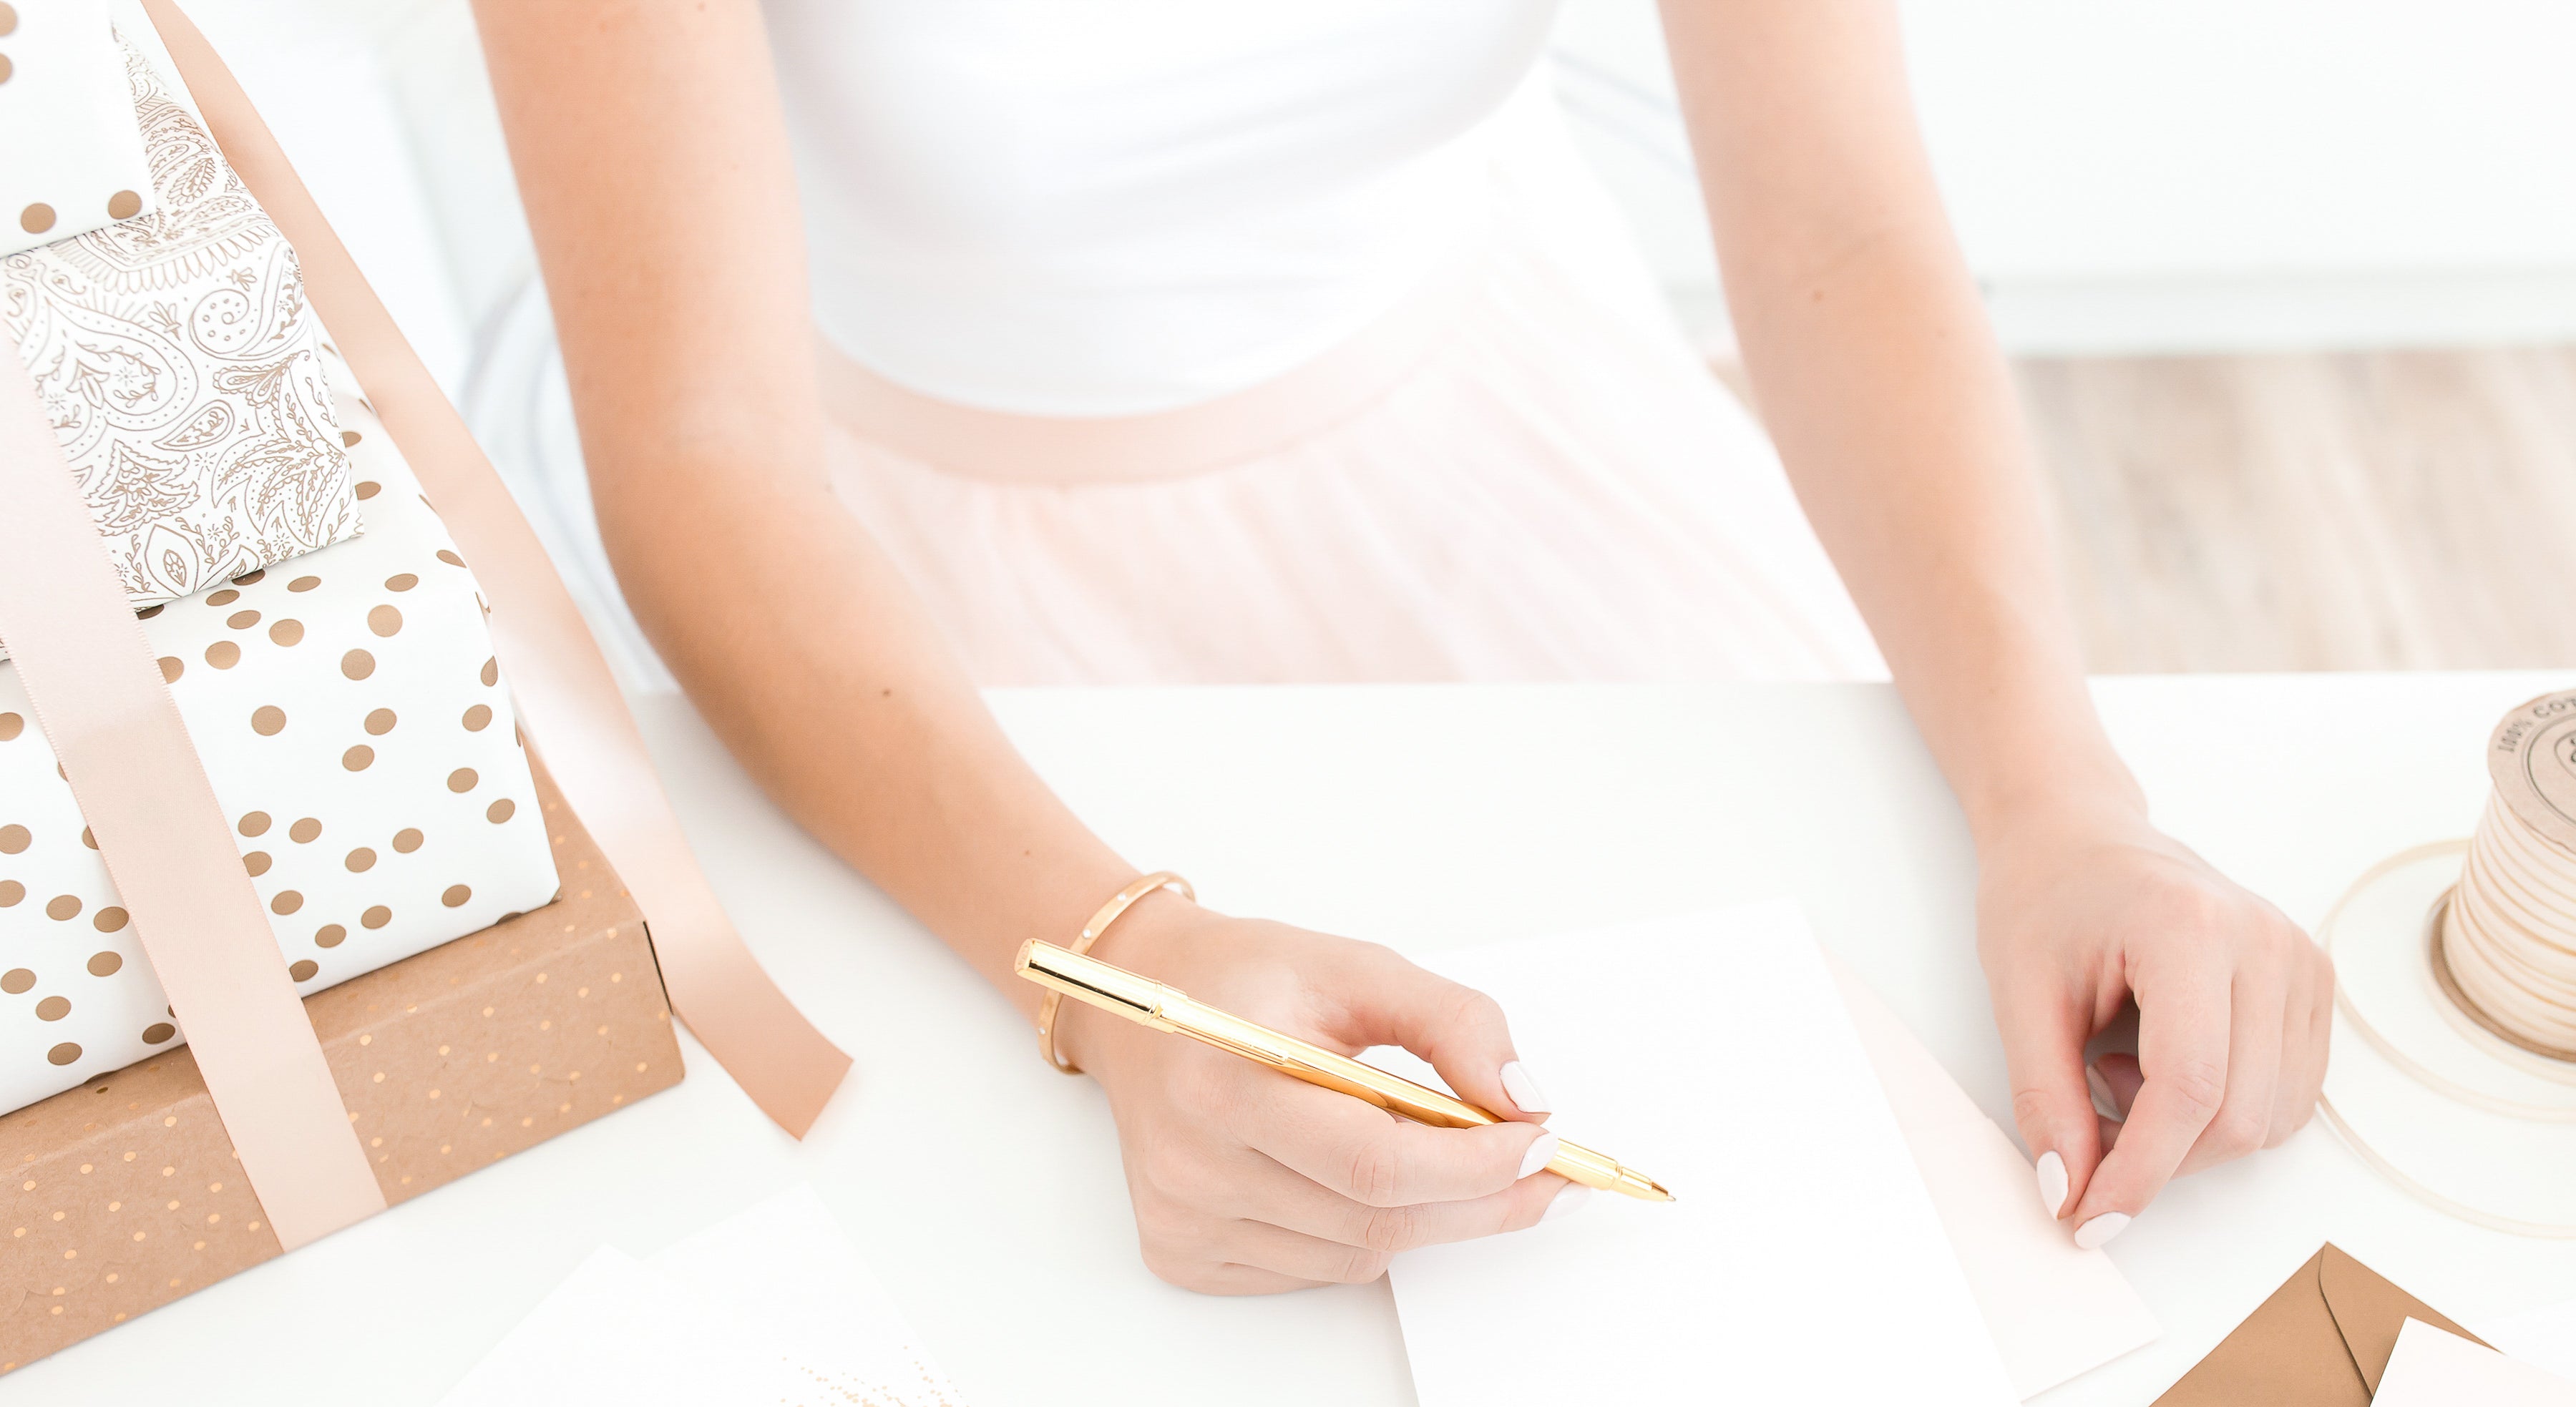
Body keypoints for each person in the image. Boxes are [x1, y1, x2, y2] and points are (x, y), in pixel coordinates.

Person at [467, 0, 2331, 1290]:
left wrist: (2071, 806)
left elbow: (1834, 214)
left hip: (1501, 411)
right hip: (886, 560)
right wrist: (1123, 971)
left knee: (1846, 1064)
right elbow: (702, 451)